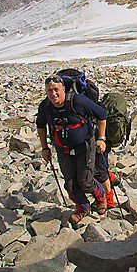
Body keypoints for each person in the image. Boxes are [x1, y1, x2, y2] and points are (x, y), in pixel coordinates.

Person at [36, 74, 109, 228]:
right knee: (70, 183)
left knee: (85, 181)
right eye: (49, 90)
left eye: (56, 90)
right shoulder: (45, 106)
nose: (53, 94)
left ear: (63, 89)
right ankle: (83, 208)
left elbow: (102, 114)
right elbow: (40, 125)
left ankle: (100, 197)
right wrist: (44, 148)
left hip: (84, 146)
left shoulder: (77, 101)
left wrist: (101, 138)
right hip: (62, 149)